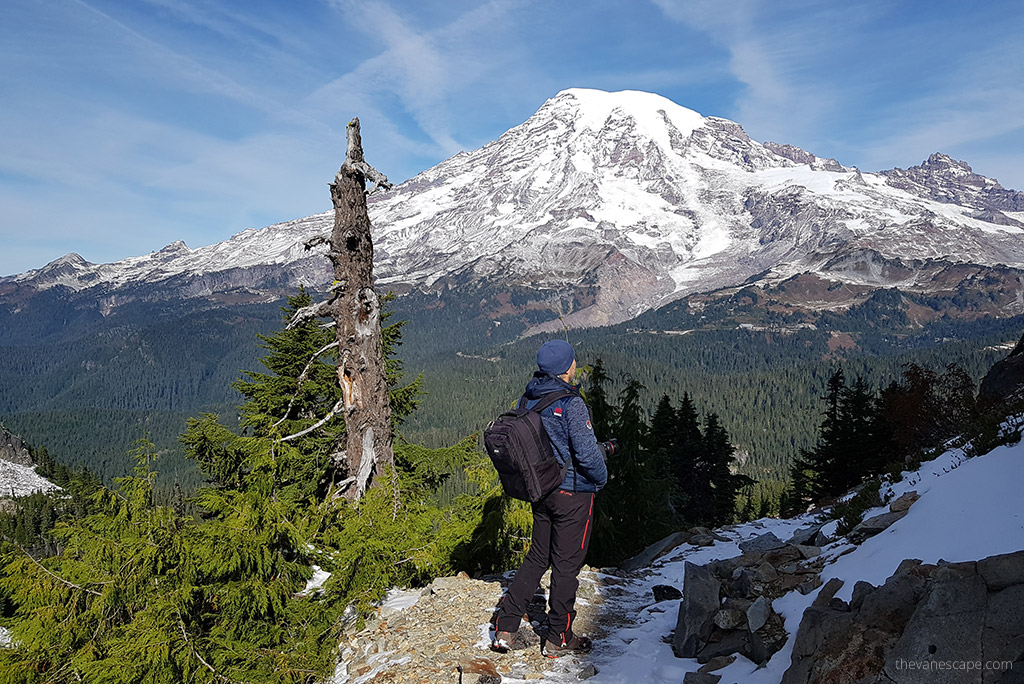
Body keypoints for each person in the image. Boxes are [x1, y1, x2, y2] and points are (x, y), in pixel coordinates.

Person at [491, 339, 609, 658]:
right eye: (573, 361)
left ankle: (506, 625)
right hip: (574, 494)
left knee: (538, 556)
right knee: (567, 566)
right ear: (568, 368)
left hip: (541, 489)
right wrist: (601, 478)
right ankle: (559, 635)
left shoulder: (529, 396)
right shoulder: (572, 404)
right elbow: (585, 453)